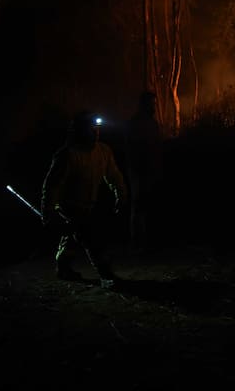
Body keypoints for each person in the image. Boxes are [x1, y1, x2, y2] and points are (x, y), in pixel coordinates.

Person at [40, 109, 128, 289]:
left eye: (96, 128)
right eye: (90, 128)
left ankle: (63, 268)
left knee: (72, 238)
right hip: (68, 206)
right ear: (80, 130)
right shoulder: (67, 155)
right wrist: (48, 212)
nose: (95, 132)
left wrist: (121, 195)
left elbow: (114, 176)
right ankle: (106, 274)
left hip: (89, 204)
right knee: (91, 238)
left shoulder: (103, 151)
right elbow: (52, 186)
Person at [124, 90, 164, 255]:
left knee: (146, 206)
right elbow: (132, 147)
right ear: (144, 104)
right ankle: (137, 243)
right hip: (139, 170)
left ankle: (146, 242)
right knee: (139, 206)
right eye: (152, 103)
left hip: (149, 169)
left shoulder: (151, 123)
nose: (154, 106)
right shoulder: (136, 123)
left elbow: (156, 146)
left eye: (154, 103)